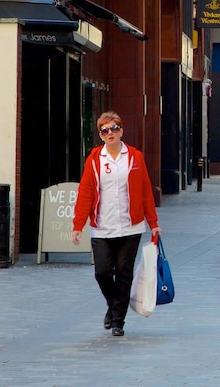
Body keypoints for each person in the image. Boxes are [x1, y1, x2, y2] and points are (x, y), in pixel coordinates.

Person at [72, 111, 160, 337]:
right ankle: (113, 306)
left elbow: (145, 191)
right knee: (102, 272)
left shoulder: (134, 157)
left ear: (121, 131)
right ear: (101, 135)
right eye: (105, 130)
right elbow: (85, 192)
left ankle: (118, 320)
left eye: (114, 128)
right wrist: (78, 224)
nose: (110, 133)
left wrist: (153, 222)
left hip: (131, 225)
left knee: (123, 273)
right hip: (102, 226)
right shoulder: (94, 160)